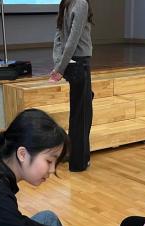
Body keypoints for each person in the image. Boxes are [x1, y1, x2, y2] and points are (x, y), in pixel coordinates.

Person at [49, 0, 94, 172]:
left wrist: (59, 64)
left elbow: (59, 38)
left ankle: (75, 155)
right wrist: (60, 68)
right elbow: (71, 40)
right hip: (79, 64)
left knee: (79, 113)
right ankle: (78, 162)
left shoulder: (67, 3)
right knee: (81, 116)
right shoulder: (80, 3)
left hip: (71, 64)